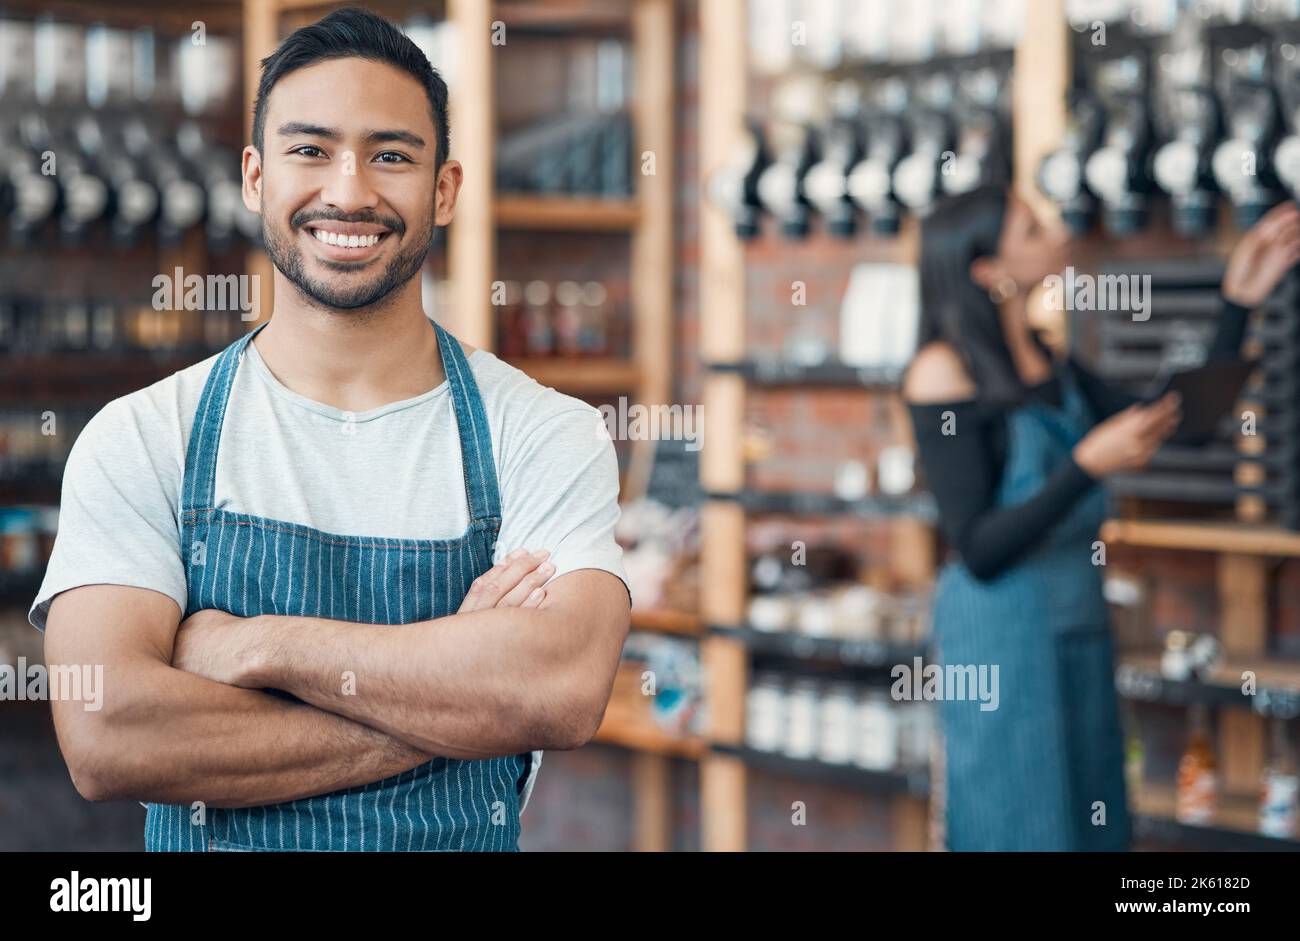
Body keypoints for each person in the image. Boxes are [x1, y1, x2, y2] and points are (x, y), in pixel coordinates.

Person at [31, 7, 632, 852]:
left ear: (445, 188)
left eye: (391, 155)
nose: (349, 191)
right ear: (255, 177)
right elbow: (107, 733)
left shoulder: (543, 434)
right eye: (310, 150)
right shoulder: (142, 437)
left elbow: (560, 689)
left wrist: (253, 645)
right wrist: (456, 702)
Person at [902, 184, 1300, 851]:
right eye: (1031, 230)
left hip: (1077, 617)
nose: (1056, 233)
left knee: (1093, 818)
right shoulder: (941, 373)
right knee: (1019, 824)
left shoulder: (1050, 357)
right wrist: (1085, 466)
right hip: (1000, 634)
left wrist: (1237, 302)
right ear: (987, 272)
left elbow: (1183, 426)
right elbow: (978, 546)